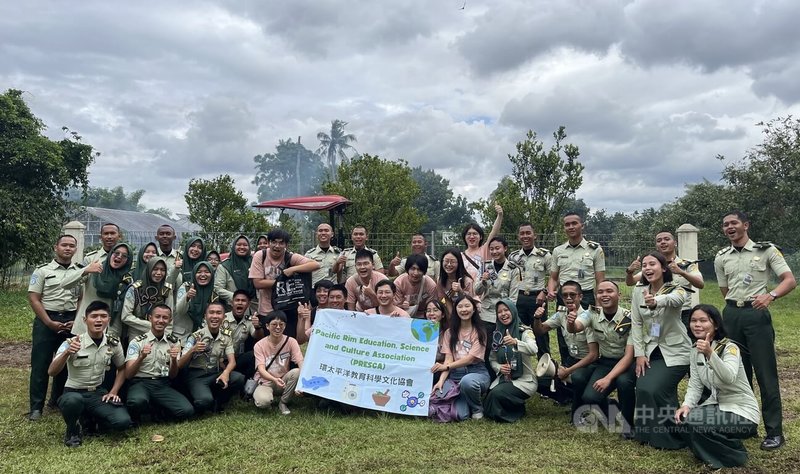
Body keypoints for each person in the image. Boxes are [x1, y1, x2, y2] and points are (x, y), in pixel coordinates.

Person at [713, 210, 796, 450]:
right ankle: (745, 425)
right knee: (738, 373)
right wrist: (735, 307)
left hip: (756, 316)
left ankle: (774, 432)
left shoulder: (766, 250)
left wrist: (770, 295)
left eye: (734, 223)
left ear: (745, 225)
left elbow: (789, 280)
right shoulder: (721, 257)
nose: (729, 227)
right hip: (731, 315)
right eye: (725, 224)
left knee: (765, 374)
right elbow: (724, 290)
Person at [675, 304, 760, 469]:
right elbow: (695, 384)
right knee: (683, 421)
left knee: (694, 424)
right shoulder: (695, 350)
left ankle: (735, 454)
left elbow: (728, 377)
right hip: (718, 406)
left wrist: (710, 354)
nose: (697, 325)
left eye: (703, 320)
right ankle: (716, 447)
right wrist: (686, 405)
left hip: (742, 412)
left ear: (715, 325)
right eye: (693, 320)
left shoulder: (730, 348)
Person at [48, 301, 131, 447]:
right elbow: (52, 371)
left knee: (122, 422)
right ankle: (73, 430)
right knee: (72, 402)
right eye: (94, 316)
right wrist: (67, 353)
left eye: (103, 316)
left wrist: (114, 391)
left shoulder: (113, 343)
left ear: (108, 320)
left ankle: (89, 419)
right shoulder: (72, 342)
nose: (99, 320)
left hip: (97, 393)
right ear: (85, 320)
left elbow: (122, 368)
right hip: (73, 392)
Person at [631, 252, 690, 449]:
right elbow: (636, 324)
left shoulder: (678, 289)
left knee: (657, 389)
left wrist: (657, 300)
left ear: (663, 268)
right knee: (644, 387)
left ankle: (671, 437)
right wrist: (639, 354)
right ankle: (646, 433)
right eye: (644, 265)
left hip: (677, 351)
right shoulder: (638, 291)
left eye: (652, 264)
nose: (647, 268)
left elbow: (676, 300)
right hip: (652, 350)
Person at [567, 280, 635, 437]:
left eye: (609, 291)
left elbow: (629, 355)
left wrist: (608, 379)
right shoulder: (592, 313)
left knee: (623, 383)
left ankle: (628, 425)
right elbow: (576, 327)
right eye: (600, 292)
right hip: (606, 362)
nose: (604, 295)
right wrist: (570, 322)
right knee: (590, 397)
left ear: (619, 294)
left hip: (626, 362)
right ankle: (612, 407)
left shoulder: (629, 318)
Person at [27, 234, 82, 421]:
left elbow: (82, 297)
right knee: (41, 364)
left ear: (75, 249)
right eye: (64, 245)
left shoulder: (79, 271)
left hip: (70, 320)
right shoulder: (42, 271)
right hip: (47, 318)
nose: (68, 248)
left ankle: (57, 400)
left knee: (65, 361)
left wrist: (76, 320)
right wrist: (48, 322)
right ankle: (36, 407)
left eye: (71, 246)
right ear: (55, 247)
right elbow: (34, 298)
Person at [533, 281, 598, 417]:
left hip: (588, 363)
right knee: (540, 381)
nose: (568, 298)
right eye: (565, 295)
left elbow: (593, 355)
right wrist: (537, 318)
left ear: (580, 297)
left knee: (577, 378)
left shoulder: (588, 317)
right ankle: (571, 398)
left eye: (572, 295)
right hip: (571, 360)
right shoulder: (561, 314)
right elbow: (540, 330)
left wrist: (568, 371)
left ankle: (582, 406)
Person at [125, 304, 194, 422]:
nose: (161, 320)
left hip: (161, 384)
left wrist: (173, 360)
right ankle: (138, 416)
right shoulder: (137, 342)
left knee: (187, 411)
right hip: (140, 383)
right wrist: (141, 357)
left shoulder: (174, 342)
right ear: (150, 318)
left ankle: (158, 409)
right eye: (157, 317)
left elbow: (173, 375)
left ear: (170, 321)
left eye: (165, 318)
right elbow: (128, 374)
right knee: (137, 401)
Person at [625, 230, 704, 333]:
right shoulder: (652, 267)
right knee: (656, 341)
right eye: (659, 240)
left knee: (682, 344)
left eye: (667, 239)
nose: (662, 242)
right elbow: (630, 282)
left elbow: (700, 284)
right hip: (657, 313)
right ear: (656, 246)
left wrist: (682, 272)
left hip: (682, 314)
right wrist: (629, 271)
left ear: (675, 243)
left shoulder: (687, 265)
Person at [249, 228, 319, 339]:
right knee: (269, 343)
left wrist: (293, 269)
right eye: (274, 242)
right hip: (267, 309)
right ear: (268, 243)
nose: (277, 246)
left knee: (288, 341)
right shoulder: (260, 256)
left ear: (286, 244)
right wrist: (281, 282)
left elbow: (315, 265)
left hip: (288, 308)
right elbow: (257, 283)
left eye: (281, 243)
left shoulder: (289, 257)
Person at [178, 301, 245, 414]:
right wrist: (192, 350)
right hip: (197, 376)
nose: (214, 316)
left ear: (224, 317)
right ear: (205, 316)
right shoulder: (195, 336)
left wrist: (226, 373)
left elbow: (232, 362)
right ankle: (200, 398)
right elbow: (180, 364)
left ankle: (219, 402)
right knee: (203, 401)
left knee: (238, 378)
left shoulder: (226, 336)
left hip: (215, 373)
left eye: (218, 313)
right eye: (211, 313)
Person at [431, 295, 490, 421]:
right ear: (456, 310)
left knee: (467, 382)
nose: (464, 310)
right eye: (460, 306)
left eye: (467, 306)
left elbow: (470, 359)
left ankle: (477, 408)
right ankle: (465, 400)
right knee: (460, 415)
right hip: (455, 376)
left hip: (476, 372)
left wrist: (446, 366)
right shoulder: (449, 333)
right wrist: (441, 381)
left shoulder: (479, 331)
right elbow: (448, 358)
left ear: (474, 309)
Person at [60, 243, 133, 338]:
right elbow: (64, 284)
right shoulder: (95, 270)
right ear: (111, 254)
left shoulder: (127, 279)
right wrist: (86, 270)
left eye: (124, 256)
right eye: (116, 253)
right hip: (85, 328)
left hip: (110, 330)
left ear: (128, 261)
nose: (119, 257)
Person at [484, 299, 538, 423]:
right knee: (489, 397)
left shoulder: (524, 331)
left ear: (513, 311)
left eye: (506, 310)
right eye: (499, 312)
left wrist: (516, 342)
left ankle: (517, 410)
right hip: (505, 378)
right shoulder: (497, 334)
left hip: (524, 380)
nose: (503, 314)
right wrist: (499, 367)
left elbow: (534, 349)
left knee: (496, 395)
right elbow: (492, 359)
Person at [509, 223, 553, 356]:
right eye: (522, 233)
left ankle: (545, 372)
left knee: (541, 336)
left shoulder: (544, 255)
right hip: (518, 298)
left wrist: (545, 292)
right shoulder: (513, 256)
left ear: (535, 235)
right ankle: (520, 368)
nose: (525, 236)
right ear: (518, 236)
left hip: (537, 299)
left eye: (528, 233)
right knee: (518, 333)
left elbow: (554, 277)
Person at [547, 212, 605, 308]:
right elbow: (553, 278)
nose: (571, 227)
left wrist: (599, 304)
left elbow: (600, 281)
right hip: (564, 297)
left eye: (574, 223)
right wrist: (551, 290)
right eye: (567, 225)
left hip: (585, 296)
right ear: (564, 228)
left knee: (585, 323)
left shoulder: (595, 250)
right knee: (563, 323)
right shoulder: (558, 251)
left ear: (582, 226)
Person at [474, 236, 516, 369]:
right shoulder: (484, 267)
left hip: (504, 314)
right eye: (491, 249)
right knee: (486, 348)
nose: (494, 251)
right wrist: (483, 281)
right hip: (487, 314)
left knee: (503, 347)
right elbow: (476, 291)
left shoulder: (513, 269)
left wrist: (506, 314)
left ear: (505, 248)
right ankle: (487, 375)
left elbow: (513, 297)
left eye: (497, 248)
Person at [253, 311, 304, 415]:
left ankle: (283, 402)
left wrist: (302, 384)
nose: (278, 327)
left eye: (281, 324)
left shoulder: (291, 341)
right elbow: (261, 370)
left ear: (285, 326)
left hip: (283, 380)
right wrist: (274, 379)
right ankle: (268, 400)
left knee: (297, 372)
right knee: (263, 402)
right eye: (274, 324)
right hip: (266, 382)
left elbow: (300, 361)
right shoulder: (259, 345)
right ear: (267, 326)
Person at [121, 256, 175, 341]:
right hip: (136, 334)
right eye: (155, 269)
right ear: (149, 269)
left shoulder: (166, 290)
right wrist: (152, 325)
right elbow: (125, 316)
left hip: (160, 335)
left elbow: (170, 316)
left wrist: (166, 335)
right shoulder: (135, 289)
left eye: (162, 270)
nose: (159, 273)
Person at [224, 289, 263, 380]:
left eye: (243, 301)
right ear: (231, 303)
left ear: (248, 304)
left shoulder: (250, 320)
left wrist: (257, 327)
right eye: (237, 300)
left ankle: (247, 384)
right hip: (220, 360)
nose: (240, 303)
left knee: (253, 355)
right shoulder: (222, 318)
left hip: (236, 360)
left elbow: (258, 336)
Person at [175, 261, 218, 342]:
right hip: (183, 336)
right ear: (194, 274)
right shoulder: (186, 287)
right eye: (199, 272)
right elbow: (179, 311)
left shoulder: (214, 292)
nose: (203, 275)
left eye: (206, 272)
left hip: (204, 336)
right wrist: (187, 297)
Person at [461, 203, 503, 282]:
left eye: (475, 234)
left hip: (483, 291)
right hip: (465, 292)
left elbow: (494, 232)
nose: (472, 237)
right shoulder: (460, 256)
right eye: (469, 234)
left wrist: (500, 215)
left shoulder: (485, 250)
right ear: (464, 237)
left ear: (480, 237)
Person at [215, 234, 256, 310]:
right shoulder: (225, 265)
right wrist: (236, 297)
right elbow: (218, 288)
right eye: (239, 245)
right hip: (231, 307)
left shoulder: (255, 262)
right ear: (234, 246)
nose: (242, 247)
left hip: (253, 308)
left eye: (245, 245)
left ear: (249, 247)